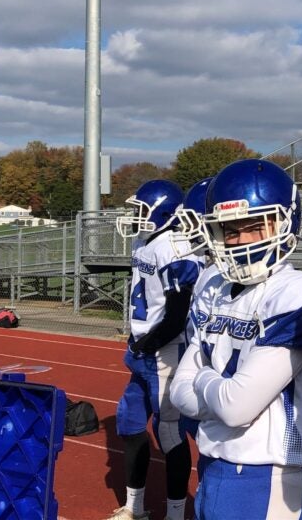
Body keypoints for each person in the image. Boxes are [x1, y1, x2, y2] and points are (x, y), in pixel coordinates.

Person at [169, 159, 302, 520]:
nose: (243, 240)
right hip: (214, 464)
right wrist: (217, 393)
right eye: (231, 230)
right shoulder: (212, 285)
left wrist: (202, 378)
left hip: (267, 478)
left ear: (284, 222)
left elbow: (236, 406)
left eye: (256, 227)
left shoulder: (301, 294)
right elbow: (178, 395)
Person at [112, 180, 204, 520]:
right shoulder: (143, 241)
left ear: (163, 212)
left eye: (141, 210)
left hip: (165, 351)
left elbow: (178, 313)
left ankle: (176, 514)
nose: (135, 216)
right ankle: (134, 507)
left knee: (168, 432)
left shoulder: (174, 246)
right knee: (129, 424)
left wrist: (149, 341)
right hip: (142, 349)